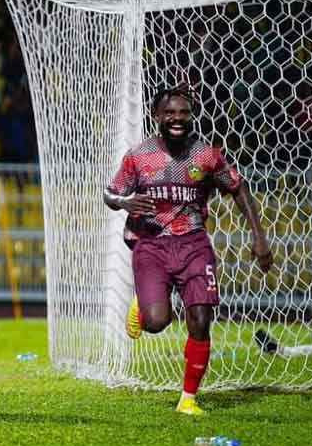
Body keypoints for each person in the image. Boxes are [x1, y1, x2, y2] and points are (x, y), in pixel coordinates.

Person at [105, 85, 273, 415]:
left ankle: (188, 399)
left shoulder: (206, 156)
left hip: (194, 244)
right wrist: (125, 201)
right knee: (156, 322)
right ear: (157, 117)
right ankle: (144, 307)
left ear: (191, 115)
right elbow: (110, 195)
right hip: (151, 245)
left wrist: (259, 238)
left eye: (183, 112)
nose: (177, 119)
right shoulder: (138, 157)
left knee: (200, 318)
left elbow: (238, 189)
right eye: (170, 113)